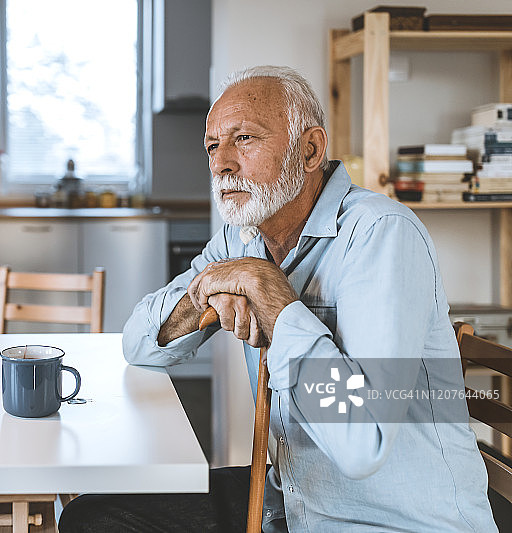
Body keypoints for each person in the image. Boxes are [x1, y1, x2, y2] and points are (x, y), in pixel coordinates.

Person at [58, 65, 497, 532]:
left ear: (309, 150)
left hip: (390, 521)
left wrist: (268, 292)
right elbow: (138, 344)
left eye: (244, 138)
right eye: (212, 145)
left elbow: (362, 442)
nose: (221, 163)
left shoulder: (381, 234)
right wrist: (203, 294)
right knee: (92, 516)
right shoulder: (243, 239)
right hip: (287, 500)